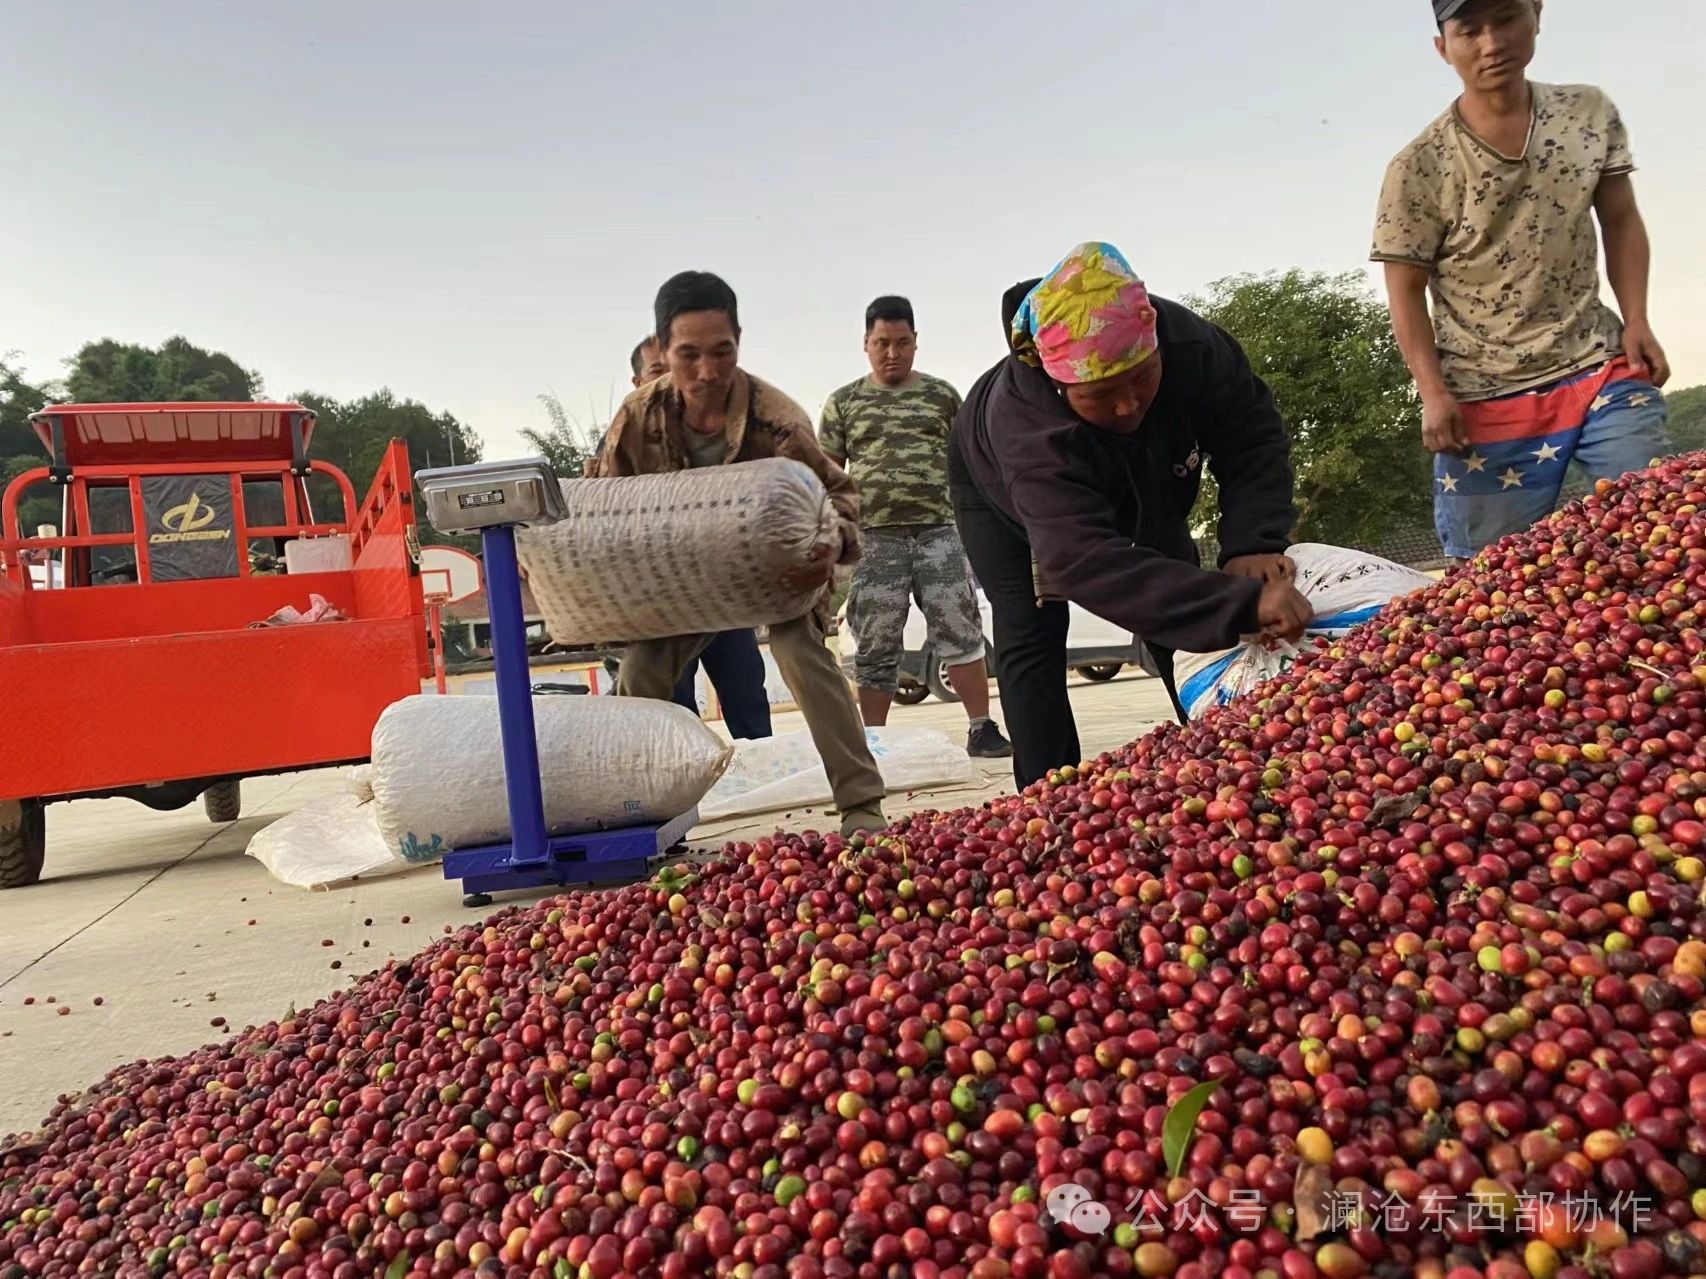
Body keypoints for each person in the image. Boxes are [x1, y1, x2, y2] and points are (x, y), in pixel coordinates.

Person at [950, 241, 1312, 790]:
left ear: (1156, 341)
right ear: (1060, 383)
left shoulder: (1192, 345)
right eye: (1101, 394)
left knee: (1175, 578)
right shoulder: (1029, 431)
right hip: (994, 493)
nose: (1127, 405)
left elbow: (1251, 436)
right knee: (1031, 629)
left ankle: (1227, 757)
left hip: (1144, 468)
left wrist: (1252, 541)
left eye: (1141, 379)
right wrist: (1240, 602)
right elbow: (1079, 559)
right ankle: (1050, 803)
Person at [589, 271, 887, 837]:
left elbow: (840, 499)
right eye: (688, 355)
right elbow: (602, 506)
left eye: (722, 352)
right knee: (641, 673)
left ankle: (861, 805)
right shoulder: (637, 418)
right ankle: (621, 816)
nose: (707, 373)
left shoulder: (778, 421)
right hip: (679, 576)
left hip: (772, 574)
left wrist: (822, 557)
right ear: (661, 350)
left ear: (740, 341)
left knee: (803, 652)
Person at [1373, 0, 1670, 566]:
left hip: (1596, 363)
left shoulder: (1587, 113)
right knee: (1492, 578)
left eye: (1506, 18)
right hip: (1483, 396)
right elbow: (1404, 290)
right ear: (1443, 47)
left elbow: (1621, 219)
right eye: (1469, 30)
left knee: (1660, 530)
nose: (1492, 43)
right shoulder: (1419, 166)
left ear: (1536, 15)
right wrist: (1433, 394)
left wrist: (1637, 319)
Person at [820, 296, 1012, 759]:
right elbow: (826, 472)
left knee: (960, 629)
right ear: (866, 343)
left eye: (902, 343)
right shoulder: (844, 402)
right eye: (882, 343)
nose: (892, 353)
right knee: (876, 641)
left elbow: (972, 459)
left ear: (915, 343)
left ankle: (981, 728)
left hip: (940, 533)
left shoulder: (942, 395)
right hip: (874, 540)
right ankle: (874, 744)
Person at [599, 337, 773, 741]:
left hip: (720, 592)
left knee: (745, 692)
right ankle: (686, 796)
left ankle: (767, 777)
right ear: (637, 380)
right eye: (657, 372)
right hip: (657, 600)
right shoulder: (619, 441)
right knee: (674, 708)